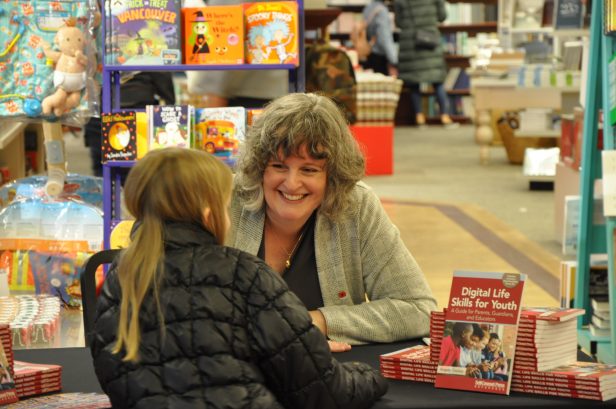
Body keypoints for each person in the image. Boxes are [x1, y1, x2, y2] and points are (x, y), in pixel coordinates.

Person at [90, 148, 388, 408]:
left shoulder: (120, 279)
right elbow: (323, 393)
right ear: (209, 214)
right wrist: (372, 376)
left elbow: (114, 377)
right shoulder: (244, 273)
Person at [229, 93, 437, 351]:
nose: (292, 183)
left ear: (334, 175)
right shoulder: (226, 201)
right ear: (259, 167)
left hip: (327, 376)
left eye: (309, 170)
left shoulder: (356, 205)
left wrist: (314, 323)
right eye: (279, 166)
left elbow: (419, 309)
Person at [84, 72, 176, 176]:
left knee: (106, 175)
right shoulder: (147, 62)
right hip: (137, 115)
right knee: (143, 176)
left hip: (100, 115)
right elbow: (167, 93)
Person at [393, 0, 456, 127]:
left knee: (414, 83)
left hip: (410, 42)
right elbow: (442, 16)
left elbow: (399, 22)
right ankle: (444, 115)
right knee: (437, 81)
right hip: (429, 40)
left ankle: (419, 116)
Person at [360, 0, 398, 77]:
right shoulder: (382, 11)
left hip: (369, 52)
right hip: (379, 56)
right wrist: (394, 60)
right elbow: (384, 38)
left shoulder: (368, 7)